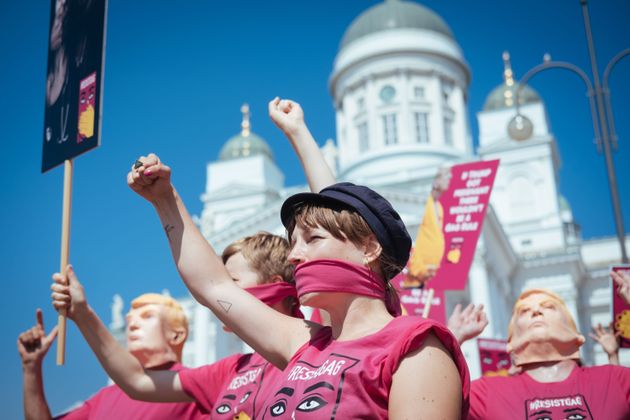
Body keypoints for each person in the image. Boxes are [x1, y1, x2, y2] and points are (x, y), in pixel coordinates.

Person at [125, 97, 470, 419]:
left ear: (369, 248)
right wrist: (165, 200)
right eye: (293, 242)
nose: (294, 255)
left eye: (312, 239)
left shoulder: (417, 345)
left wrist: (300, 135)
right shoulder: (302, 343)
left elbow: (338, 209)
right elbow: (212, 285)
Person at [51, 233, 302, 419]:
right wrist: (82, 314)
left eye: (232, 282)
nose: (218, 294)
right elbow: (137, 381)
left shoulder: (317, 347)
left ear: (274, 285)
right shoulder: (229, 371)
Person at [20, 279, 206, 420]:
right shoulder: (105, 397)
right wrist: (31, 369)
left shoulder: (200, 387)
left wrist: (82, 313)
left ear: (177, 335)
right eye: (129, 320)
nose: (132, 325)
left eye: (147, 317)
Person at [469, 288, 630, 419]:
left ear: (575, 333)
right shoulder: (488, 393)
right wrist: (451, 339)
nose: (536, 311)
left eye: (548, 306)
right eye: (524, 311)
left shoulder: (615, 379)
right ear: (511, 342)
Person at [405, 166, 452, 288]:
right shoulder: (423, 204)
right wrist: (421, 270)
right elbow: (410, 242)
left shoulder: (439, 207)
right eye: (447, 177)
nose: (450, 180)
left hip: (431, 276)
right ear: (436, 182)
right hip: (416, 279)